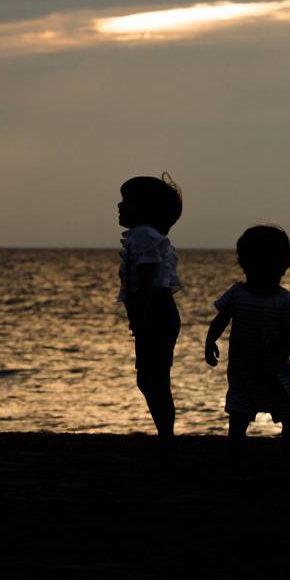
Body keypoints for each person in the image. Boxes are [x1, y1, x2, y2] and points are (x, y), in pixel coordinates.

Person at [204, 224, 290, 456]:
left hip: (275, 372)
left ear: (283, 268)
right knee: (239, 413)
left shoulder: (285, 300)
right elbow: (221, 319)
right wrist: (210, 341)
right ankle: (235, 451)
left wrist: (278, 360)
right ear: (243, 265)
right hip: (242, 370)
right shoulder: (237, 293)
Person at [116, 174, 184, 442]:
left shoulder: (143, 236)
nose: (119, 206)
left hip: (155, 312)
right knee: (151, 378)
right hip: (157, 312)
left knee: (152, 378)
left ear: (144, 209)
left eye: (126, 201)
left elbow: (146, 279)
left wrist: (142, 315)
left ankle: (166, 435)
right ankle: (165, 433)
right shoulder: (144, 236)